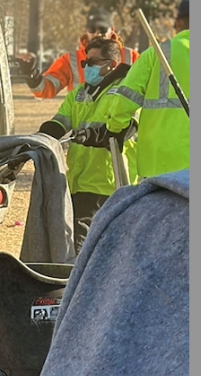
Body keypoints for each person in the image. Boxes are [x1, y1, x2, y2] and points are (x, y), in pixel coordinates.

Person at [38, 34, 138, 249]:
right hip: (79, 181)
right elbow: (59, 124)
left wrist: (94, 136)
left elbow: (126, 130)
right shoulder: (79, 94)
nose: (86, 67)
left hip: (109, 182)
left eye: (92, 63)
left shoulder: (126, 91)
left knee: (96, 243)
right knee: (83, 242)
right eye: (85, 63)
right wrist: (39, 139)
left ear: (111, 65)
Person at [95, 0, 190, 179]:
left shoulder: (157, 53)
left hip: (159, 164)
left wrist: (115, 129)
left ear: (177, 23)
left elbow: (124, 100)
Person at [16, 10, 138, 99]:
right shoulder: (70, 60)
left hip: (120, 128)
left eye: (102, 29)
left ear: (112, 29)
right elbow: (46, 90)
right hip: (83, 128)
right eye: (92, 29)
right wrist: (31, 74)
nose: (97, 34)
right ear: (86, 30)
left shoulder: (131, 56)